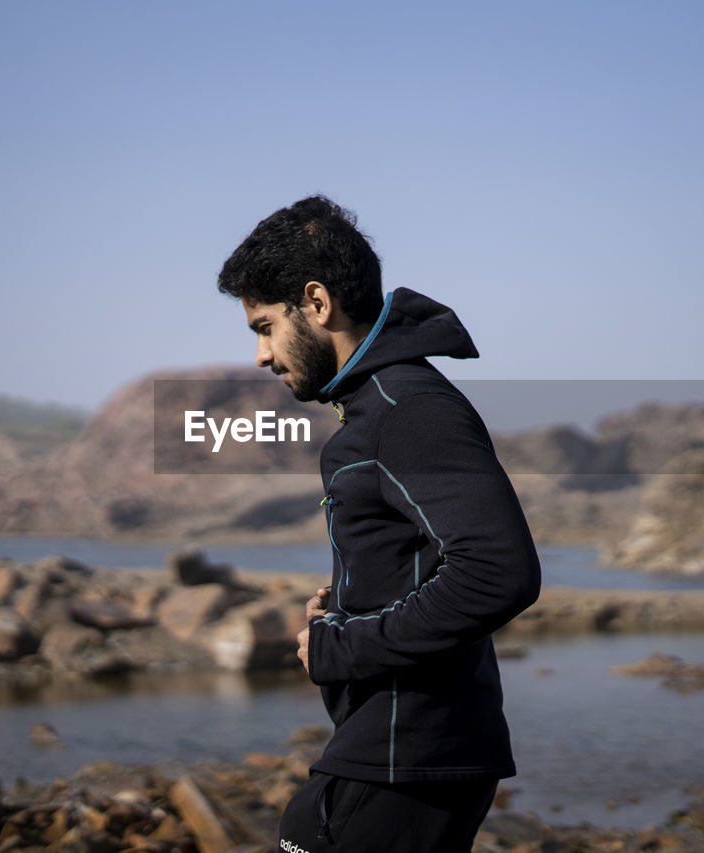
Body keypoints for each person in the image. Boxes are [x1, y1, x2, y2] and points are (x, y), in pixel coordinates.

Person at [217, 196, 541, 852]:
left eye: (264, 325)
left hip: (408, 754)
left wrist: (344, 645)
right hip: (396, 748)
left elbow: (498, 571)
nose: (259, 355)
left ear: (316, 303)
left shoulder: (407, 409)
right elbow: (426, 559)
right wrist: (347, 602)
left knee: (301, 832)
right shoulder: (375, 410)